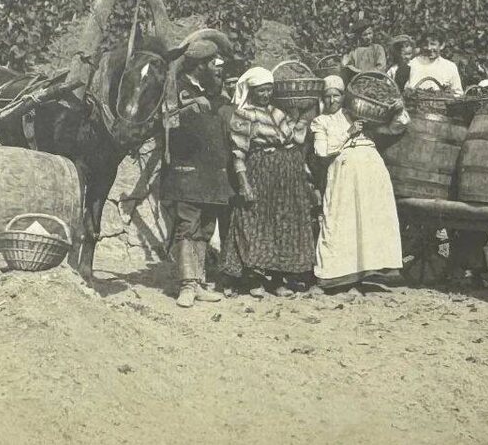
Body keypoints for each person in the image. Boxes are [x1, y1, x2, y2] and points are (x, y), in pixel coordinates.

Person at [222, 67, 316, 298]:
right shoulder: (244, 115)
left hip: (286, 178)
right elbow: (238, 153)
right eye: (260, 91)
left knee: (283, 225)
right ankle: (253, 279)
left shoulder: (278, 112)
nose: (265, 95)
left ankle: (278, 280)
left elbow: (295, 138)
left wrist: (301, 117)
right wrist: (244, 184)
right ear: (251, 91)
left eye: (268, 90)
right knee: (255, 224)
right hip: (260, 174)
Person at [310, 76, 409, 293]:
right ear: (322, 99)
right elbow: (322, 152)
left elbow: (396, 127)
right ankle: (335, 275)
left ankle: (370, 269)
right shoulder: (321, 122)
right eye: (327, 96)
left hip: (372, 170)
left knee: (370, 220)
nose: (332, 100)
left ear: (344, 96)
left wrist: (399, 109)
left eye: (336, 95)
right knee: (341, 219)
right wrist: (349, 133)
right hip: (344, 173)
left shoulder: (358, 114)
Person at [161, 45, 232, 308]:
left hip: (211, 174)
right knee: (187, 226)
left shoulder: (212, 91)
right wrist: (189, 107)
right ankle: (187, 285)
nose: (217, 69)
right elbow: (166, 122)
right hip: (187, 171)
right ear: (200, 65)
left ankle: (199, 282)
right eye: (213, 64)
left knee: (205, 228)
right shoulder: (177, 87)